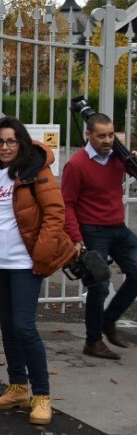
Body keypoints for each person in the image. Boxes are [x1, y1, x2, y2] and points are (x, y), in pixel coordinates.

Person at [0, 117, 78, 425]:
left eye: (11, 141)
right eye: (0, 142)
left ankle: (42, 395)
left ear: (22, 143)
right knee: (6, 325)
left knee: (24, 327)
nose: (5, 147)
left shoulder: (36, 171)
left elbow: (56, 213)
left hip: (24, 262)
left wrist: (41, 255)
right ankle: (17, 386)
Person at [61, 112, 137, 359]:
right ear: (88, 135)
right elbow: (68, 203)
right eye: (101, 135)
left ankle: (109, 320)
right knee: (99, 285)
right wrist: (76, 238)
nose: (107, 140)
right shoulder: (77, 164)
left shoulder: (119, 159)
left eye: (111, 135)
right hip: (93, 231)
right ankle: (92, 341)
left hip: (118, 228)